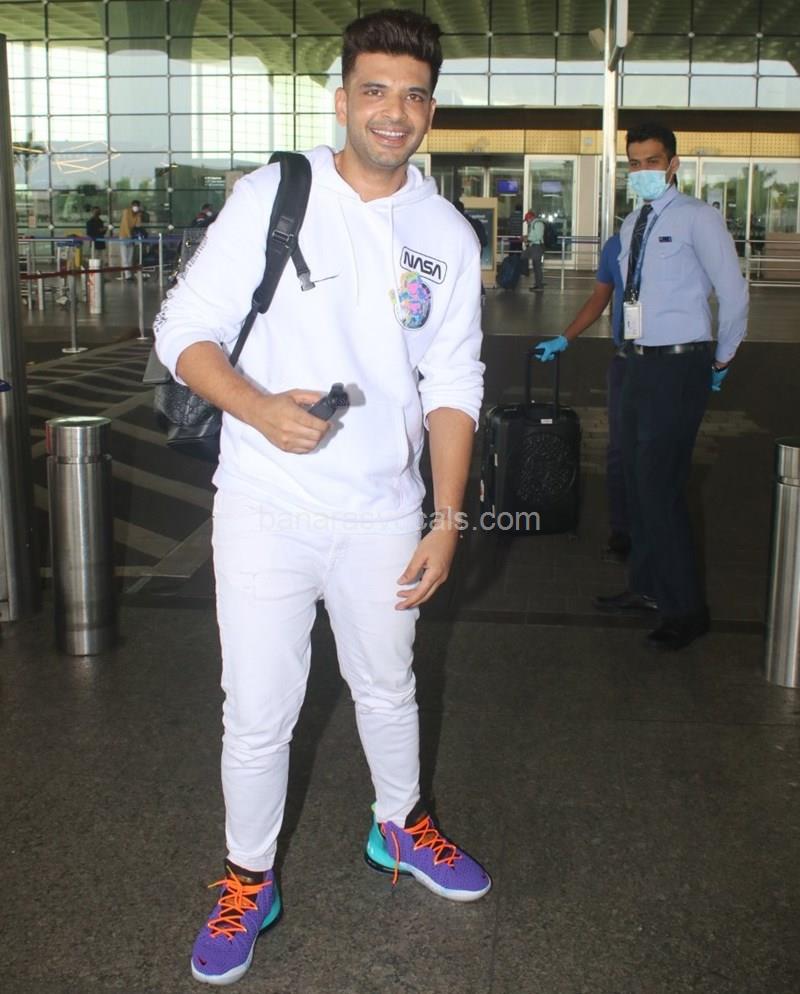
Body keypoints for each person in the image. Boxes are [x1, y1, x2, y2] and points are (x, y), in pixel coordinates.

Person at [154, 8, 490, 987]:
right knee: (259, 711)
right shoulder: (276, 193)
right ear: (342, 100)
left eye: (414, 94)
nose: (394, 111)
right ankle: (247, 880)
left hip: (383, 509)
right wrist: (258, 408)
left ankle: (400, 825)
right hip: (265, 504)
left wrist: (446, 518)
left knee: (389, 684)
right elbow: (181, 330)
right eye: (375, 90)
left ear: (430, 109)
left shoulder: (444, 234)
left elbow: (454, 383)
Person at [594, 122, 749, 651]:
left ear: (673, 164)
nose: (642, 171)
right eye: (634, 163)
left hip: (680, 365)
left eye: (652, 162)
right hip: (638, 362)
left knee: (660, 487)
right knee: (636, 484)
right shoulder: (632, 222)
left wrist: (722, 356)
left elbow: (734, 293)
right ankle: (646, 587)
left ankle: (686, 610)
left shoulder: (697, 218)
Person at [533, 233, 630, 563]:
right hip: (626, 358)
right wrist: (565, 339)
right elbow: (600, 297)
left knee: (652, 451)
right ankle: (622, 532)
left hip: (667, 362)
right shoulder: (617, 245)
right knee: (619, 452)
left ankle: (653, 531)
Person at [118, 198, 141, 279]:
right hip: (124, 236)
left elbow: (138, 225)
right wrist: (129, 235)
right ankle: (127, 275)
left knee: (130, 257)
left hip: (131, 237)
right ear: (131, 206)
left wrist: (139, 217)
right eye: (134, 206)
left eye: (137, 206)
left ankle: (129, 274)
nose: (136, 207)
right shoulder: (126, 212)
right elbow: (125, 224)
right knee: (125, 257)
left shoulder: (137, 214)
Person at [523, 209, 545, 291]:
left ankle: (539, 286)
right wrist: (527, 237)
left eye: (527, 220)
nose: (527, 222)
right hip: (535, 247)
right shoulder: (535, 224)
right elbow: (535, 235)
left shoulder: (537, 224)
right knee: (536, 267)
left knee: (537, 267)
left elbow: (538, 236)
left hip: (537, 247)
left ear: (530, 218)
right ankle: (538, 284)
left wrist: (528, 238)